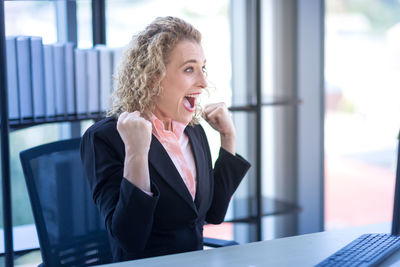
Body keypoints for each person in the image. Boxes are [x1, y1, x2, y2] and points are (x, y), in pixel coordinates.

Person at [80, 16, 251, 262]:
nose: (203, 83)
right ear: (153, 77)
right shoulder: (104, 138)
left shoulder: (193, 130)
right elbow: (129, 239)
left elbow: (212, 214)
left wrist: (228, 138)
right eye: (189, 69)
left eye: (202, 68)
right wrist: (136, 154)